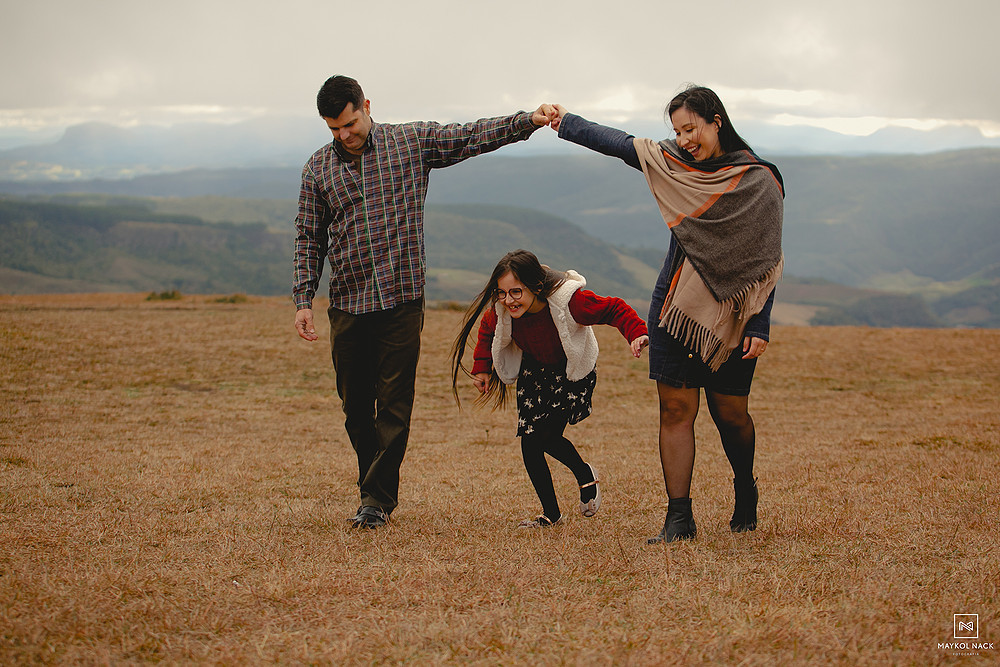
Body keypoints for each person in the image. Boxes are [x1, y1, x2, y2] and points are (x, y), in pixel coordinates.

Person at [293, 75, 558, 529]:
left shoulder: (409, 143)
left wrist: (528, 121)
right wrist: (303, 298)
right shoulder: (318, 168)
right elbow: (307, 236)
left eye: (350, 124)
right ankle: (371, 487)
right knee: (355, 407)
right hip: (347, 302)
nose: (344, 135)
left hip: (400, 300)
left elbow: (470, 136)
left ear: (367, 106)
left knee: (394, 405)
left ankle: (375, 501)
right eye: (334, 128)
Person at [549, 85, 784, 543]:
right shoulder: (676, 164)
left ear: (716, 120)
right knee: (675, 408)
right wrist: (566, 122)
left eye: (691, 129)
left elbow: (767, 260)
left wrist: (759, 321)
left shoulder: (757, 180)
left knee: (730, 412)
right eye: (677, 131)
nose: (684, 139)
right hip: (675, 306)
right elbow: (621, 144)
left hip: (733, 315)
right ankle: (679, 518)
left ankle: (745, 489)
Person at [450, 249, 649, 528]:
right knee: (530, 442)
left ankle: (584, 474)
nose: (508, 300)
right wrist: (482, 367)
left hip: (570, 372)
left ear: (536, 286)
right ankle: (551, 515)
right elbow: (487, 329)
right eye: (502, 293)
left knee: (547, 436)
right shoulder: (502, 311)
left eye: (516, 292)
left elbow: (614, 307)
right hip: (534, 370)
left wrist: (637, 332)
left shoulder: (571, 302)